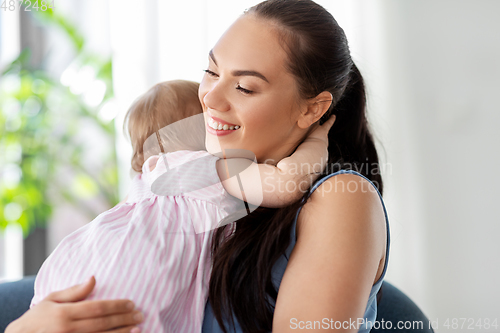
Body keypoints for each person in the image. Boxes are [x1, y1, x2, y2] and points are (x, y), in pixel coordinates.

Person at [6, 0, 390, 332]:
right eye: (210, 72)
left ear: (313, 108)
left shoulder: (339, 201)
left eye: (245, 87)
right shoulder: (200, 188)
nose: (210, 97)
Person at [27, 79, 334, 333]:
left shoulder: (147, 178)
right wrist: (316, 141)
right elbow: (285, 183)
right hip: (130, 297)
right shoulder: (205, 167)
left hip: (69, 278)